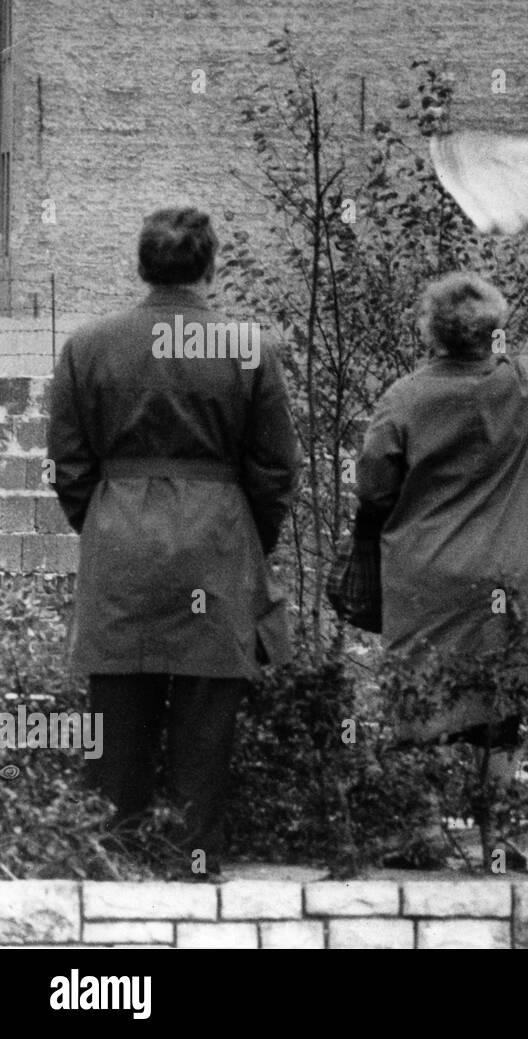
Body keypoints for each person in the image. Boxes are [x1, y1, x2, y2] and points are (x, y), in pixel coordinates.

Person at [46, 207, 301, 876]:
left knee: (117, 710)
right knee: (205, 716)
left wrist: (104, 521)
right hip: (215, 539)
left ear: (141, 264)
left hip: (120, 537)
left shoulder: (88, 345)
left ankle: (109, 858)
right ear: (209, 266)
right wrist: (246, 533)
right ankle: (193, 858)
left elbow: (69, 464)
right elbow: (275, 469)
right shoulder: (247, 347)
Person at [355, 228, 528, 782]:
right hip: (501, 574)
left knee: (418, 689)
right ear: (494, 331)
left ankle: (424, 822)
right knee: (498, 693)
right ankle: (490, 818)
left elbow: (374, 486)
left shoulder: (403, 398)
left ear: (431, 332)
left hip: (422, 573)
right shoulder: (522, 387)